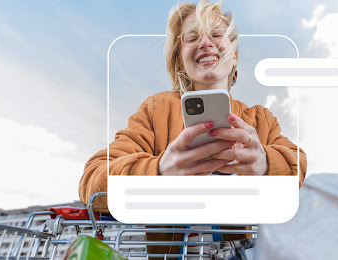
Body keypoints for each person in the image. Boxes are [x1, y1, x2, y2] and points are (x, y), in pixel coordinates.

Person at [79, 0, 307, 257]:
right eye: (192, 37)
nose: (206, 42)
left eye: (217, 34)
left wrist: (266, 163)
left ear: (234, 56)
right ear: (179, 59)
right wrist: (160, 170)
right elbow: (92, 182)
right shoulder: (156, 110)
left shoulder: (259, 120)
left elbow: (298, 168)